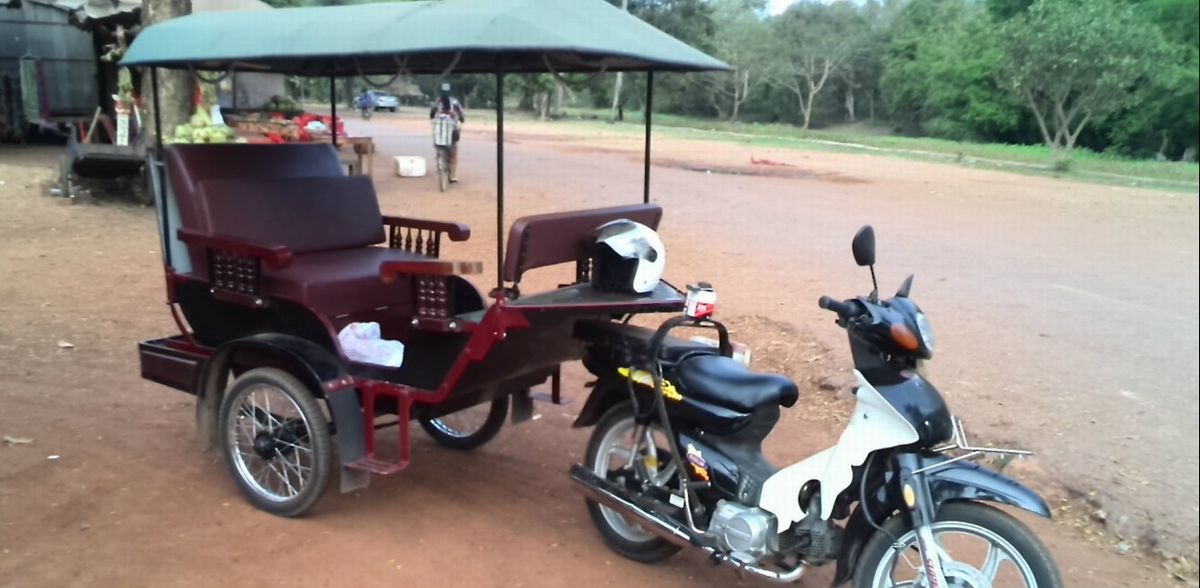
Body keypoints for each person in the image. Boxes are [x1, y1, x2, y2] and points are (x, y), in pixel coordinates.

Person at [429, 83, 465, 182]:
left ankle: (439, 162)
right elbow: (461, 115)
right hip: (452, 130)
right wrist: (461, 120)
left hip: (440, 130)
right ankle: (452, 174)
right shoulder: (454, 102)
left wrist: (434, 117)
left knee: (438, 144)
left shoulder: (437, 101)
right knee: (453, 150)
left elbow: (432, 114)